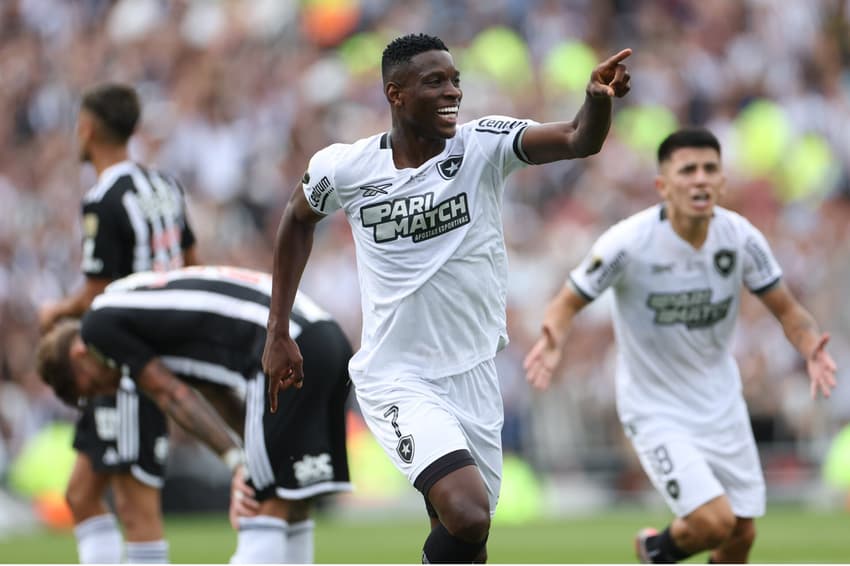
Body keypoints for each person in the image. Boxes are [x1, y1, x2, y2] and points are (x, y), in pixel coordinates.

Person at [262, 33, 631, 563]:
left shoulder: (482, 146)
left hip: (474, 375)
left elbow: (578, 138)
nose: (451, 91)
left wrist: (596, 101)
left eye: (455, 80)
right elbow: (297, 218)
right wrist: (278, 330)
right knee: (467, 511)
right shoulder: (346, 167)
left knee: (466, 536)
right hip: (397, 376)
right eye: (435, 81)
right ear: (396, 93)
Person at [524, 127, 837, 563]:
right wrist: (553, 338)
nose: (700, 179)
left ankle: (659, 550)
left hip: (720, 401)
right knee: (713, 522)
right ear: (662, 185)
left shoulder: (740, 238)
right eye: (687, 170)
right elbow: (568, 300)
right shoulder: (628, 242)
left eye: (710, 169)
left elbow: (788, 310)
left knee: (741, 535)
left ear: (723, 181)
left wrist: (809, 348)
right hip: (655, 407)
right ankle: (656, 550)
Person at [37, 265, 353, 564]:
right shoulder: (145, 313)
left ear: (79, 354)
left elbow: (172, 396)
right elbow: (217, 393)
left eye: (91, 386)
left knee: (257, 504)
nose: (108, 387)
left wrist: (238, 464)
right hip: (327, 339)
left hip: (281, 349)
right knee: (291, 501)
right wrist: (250, 452)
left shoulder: (98, 326)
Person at [37, 82, 198, 564]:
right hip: (151, 352)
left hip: (127, 363)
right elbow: (193, 261)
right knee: (81, 495)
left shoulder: (103, 198)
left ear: (86, 129)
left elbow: (96, 292)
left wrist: (57, 311)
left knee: (136, 508)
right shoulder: (164, 185)